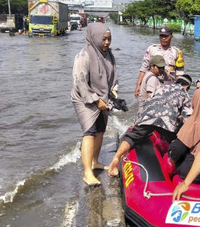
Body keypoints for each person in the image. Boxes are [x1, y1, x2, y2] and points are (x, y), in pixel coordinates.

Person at [108, 75, 193, 177]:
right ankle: (174, 167)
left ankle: (116, 157)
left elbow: (149, 100)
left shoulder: (161, 86)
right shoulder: (184, 93)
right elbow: (187, 117)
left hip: (148, 115)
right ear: (187, 86)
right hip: (168, 121)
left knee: (132, 136)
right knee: (178, 142)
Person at [71, 23, 118, 186]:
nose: (106, 43)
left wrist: (114, 92)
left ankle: (95, 161)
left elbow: (114, 77)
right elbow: (80, 83)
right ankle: (87, 173)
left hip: (103, 98)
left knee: (100, 131)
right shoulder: (84, 55)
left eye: (109, 39)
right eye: (103, 39)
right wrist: (96, 100)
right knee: (89, 132)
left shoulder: (109, 55)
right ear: (95, 38)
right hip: (84, 99)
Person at [134, 27, 185, 97]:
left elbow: (179, 74)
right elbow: (143, 69)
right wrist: (138, 85)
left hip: (169, 87)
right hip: (153, 86)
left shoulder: (176, 52)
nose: (163, 38)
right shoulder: (152, 49)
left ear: (171, 37)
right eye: (161, 36)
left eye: (166, 36)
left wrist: (179, 90)